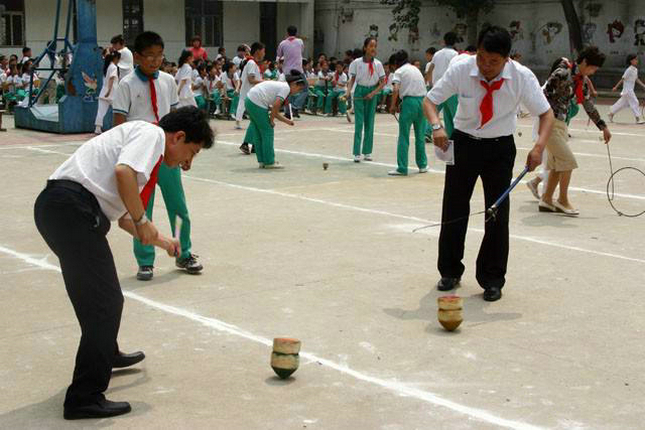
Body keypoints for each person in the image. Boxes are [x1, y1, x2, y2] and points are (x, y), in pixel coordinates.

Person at [34, 107, 214, 420]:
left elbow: (124, 220)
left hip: (62, 209)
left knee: (95, 299)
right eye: (192, 152)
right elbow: (123, 174)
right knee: (106, 303)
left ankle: (106, 352)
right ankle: (84, 398)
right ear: (179, 137)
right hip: (72, 209)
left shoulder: (144, 147)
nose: (187, 164)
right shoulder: (152, 134)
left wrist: (164, 242)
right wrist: (143, 218)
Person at [425, 26, 554, 301]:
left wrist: (539, 147)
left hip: (499, 148)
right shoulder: (462, 68)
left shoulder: (521, 77)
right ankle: (449, 271)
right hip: (464, 144)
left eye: (493, 61)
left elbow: (546, 114)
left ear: (507, 59)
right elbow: (430, 101)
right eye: (482, 58)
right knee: (454, 207)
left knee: (496, 213)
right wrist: (437, 127)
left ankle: (492, 278)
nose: (485, 66)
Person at [113, 31, 203, 281]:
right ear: (138, 57)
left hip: (166, 152)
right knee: (142, 208)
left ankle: (184, 253)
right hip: (139, 155)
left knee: (178, 206)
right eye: (149, 56)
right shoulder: (126, 84)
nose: (154, 61)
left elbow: (177, 120)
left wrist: (185, 154)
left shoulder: (167, 81)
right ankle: (145, 259)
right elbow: (118, 123)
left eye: (159, 55)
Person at [539, 48, 611, 216]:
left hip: (561, 124)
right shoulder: (562, 73)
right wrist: (545, 118)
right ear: (584, 62)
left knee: (558, 164)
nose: (593, 72)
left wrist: (602, 125)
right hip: (550, 122)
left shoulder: (581, 79)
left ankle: (546, 200)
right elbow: (543, 94)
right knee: (568, 161)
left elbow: (587, 103)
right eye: (592, 68)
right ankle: (562, 200)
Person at [243, 70, 306, 169]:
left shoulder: (281, 86)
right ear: (293, 84)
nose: (298, 92)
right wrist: (271, 120)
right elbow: (276, 106)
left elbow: (274, 110)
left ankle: (262, 161)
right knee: (267, 131)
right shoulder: (286, 88)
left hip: (249, 100)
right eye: (299, 89)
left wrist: (287, 121)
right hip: (256, 102)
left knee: (258, 133)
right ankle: (269, 162)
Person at [387, 50, 428, 176]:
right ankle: (422, 165)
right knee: (420, 136)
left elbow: (395, 89)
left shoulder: (399, 71)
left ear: (396, 62)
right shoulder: (415, 69)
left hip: (409, 103)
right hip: (422, 101)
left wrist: (393, 105)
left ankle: (402, 168)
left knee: (404, 136)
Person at [346, 37, 386, 162]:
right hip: (360, 91)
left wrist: (373, 93)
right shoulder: (356, 63)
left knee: (370, 122)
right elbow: (352, 79)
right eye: (371, 46)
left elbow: (383, 82)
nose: (373, 48)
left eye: (375, 46)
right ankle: (356, 153)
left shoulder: (378, 64)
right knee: (359, 122)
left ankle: (367, 152)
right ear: (365, 48)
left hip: (372, 92)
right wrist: (348, 92)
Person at [425, 32, 459, 141]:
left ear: (443, 41)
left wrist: (430, 83)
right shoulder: (455, 55)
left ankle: (427, 131)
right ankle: (452, 136)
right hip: (450, 89)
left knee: (432, 111)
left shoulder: (437, 54)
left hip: (437, 87)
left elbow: (430, 69)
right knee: (451, 115)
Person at [237, 42, 265, 144]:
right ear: (258, 51)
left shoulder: (251, 63)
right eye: (263, 51)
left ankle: (252, 144)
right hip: (251, 96)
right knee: (257, 121)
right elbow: (251, 79)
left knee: (256, 121)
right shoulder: (252, 63)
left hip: (251, 95)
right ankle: (248, 143)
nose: (264, 53)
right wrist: (266, 82)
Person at [277, 26, 305, 118]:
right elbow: (301, 51)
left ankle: (288, 112)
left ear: (287, 33)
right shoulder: (300, 41)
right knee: (305, 89)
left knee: (287, 91)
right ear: (296, 33)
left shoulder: (282, 43)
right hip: (298, 70)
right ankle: (294, 107)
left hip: (287, 71)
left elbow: (279, 56)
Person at [609, 54, 645, 124]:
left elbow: (636, 79)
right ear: (631, 61)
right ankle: (638, 119)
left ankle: (611, 114)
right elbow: (622, 79)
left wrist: (643, 85)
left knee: (622, 103)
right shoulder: (629, 70)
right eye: (635, 59)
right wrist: (616, 87)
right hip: (628, 90)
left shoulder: (635, 70)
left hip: (630, 90)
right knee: (635, 102)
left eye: (637, 59)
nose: (637, 61)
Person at [94, 51, 120, 134]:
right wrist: (109, 90)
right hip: (112, 92)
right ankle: (117, 127)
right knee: (118, 110)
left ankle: (98, 128)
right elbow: (112, 78)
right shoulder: (114, 67)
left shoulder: (108, 66)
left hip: (104, 91)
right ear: (116, 58)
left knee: (101, 111)